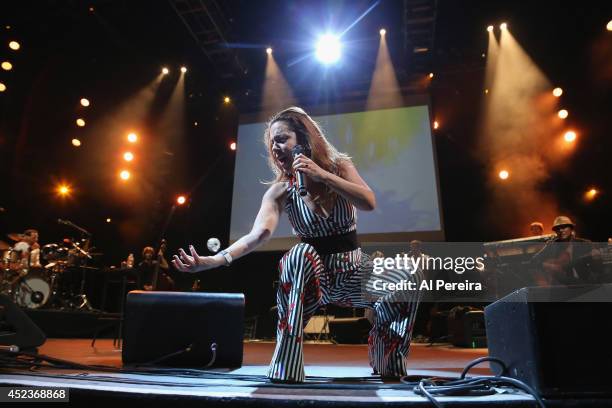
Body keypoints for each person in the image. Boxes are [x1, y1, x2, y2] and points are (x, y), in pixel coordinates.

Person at [173, 107, 422, 383]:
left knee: (409, 273)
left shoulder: (339, 166)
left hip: (355, 271)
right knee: (298, 254)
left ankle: (386, 356)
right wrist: (216, 260)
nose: (275, 147)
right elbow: (258, 234)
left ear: (303, 138)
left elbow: (369, 202)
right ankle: (287, 364)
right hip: (314, 279)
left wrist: (322, 176)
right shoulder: (280, 191)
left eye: (282, 139)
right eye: (271, 143)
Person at [531, 216, 601, 284]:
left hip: (584, 283)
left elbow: (597, 268)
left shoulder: (584, 244)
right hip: (561, 286)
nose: (561, 230)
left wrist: (596, 259)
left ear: (571, 229)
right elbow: (534, 260)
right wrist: (551, 266)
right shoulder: (552, 245)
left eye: (564, 227)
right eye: (557, 229)